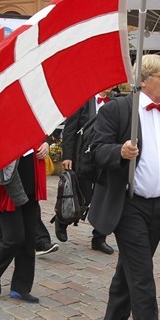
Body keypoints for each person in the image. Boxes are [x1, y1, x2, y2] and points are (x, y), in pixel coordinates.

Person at [89, 54, 160, 320]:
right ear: (144, 80)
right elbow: (95, 149)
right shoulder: (119, 109)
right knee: (142, 275)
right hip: (129, 204)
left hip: (158, 205)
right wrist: (119, 151)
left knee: (129, 266)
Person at [0, 142, 50, 304]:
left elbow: (43, 130)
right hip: (7, 188)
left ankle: (20, 287)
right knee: (15, 237)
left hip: (31, 182)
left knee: (29, 238)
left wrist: (46, 144)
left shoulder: (32, 118)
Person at [56, 89, 115, 254]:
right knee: (83, 197)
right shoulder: (83, 99)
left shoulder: (116, 102)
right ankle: (62, 220)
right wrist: (67, 155)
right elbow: (69, 129)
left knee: (104, 200)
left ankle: (99, 238)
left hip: (105, 159)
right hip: (84, 157)